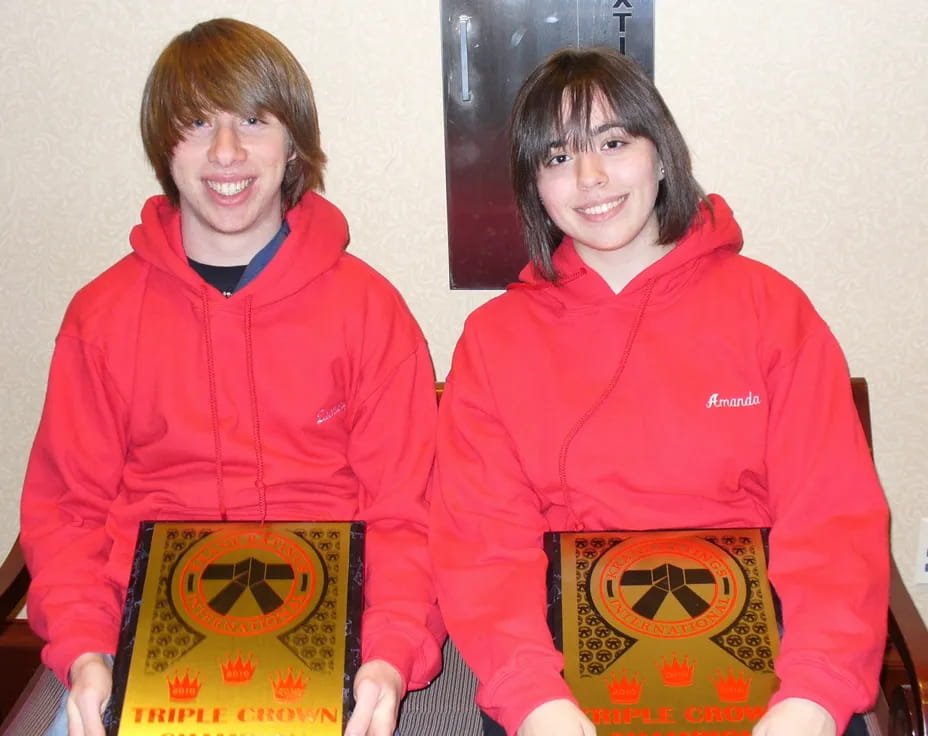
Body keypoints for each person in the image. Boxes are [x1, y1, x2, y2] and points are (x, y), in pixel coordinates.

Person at [429, 46, 888, 736]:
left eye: (614, 142)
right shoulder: (495, 339)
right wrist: (532, 699)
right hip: (559, 663)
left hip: (769, 642)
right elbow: (482, 541)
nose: (589, 177)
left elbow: (831, 516)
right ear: (535, 187)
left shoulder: (770, 309)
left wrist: (816, 694)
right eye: (557, 158)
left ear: (664, 155)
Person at [19, 18, 443, 736]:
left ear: (292, 144)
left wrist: (390, 654)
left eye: (253, 120)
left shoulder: (369, 310)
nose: (225, 152)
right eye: (195, 123)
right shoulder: (102, 315)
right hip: (136, 648)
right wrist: (86, 650)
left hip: (329, 649)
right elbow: (68, 513)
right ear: (164, 144)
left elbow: (408, 512)